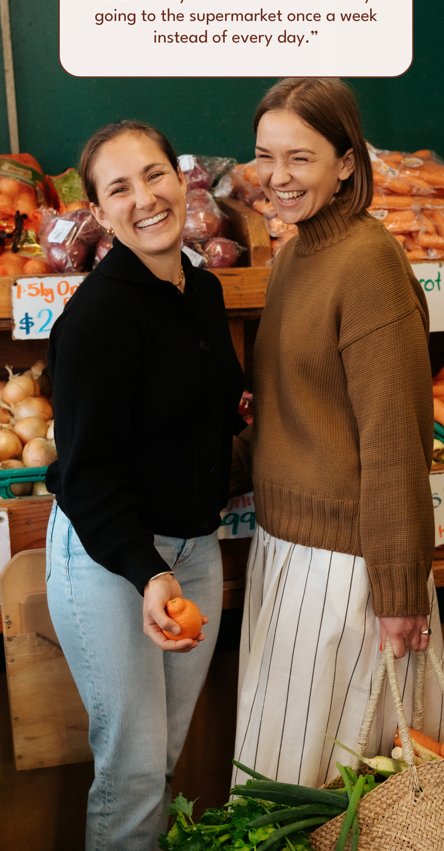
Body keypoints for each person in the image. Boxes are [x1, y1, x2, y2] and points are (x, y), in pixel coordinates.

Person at [231, 78, 444, 789]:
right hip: (285, 552)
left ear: (347, 163)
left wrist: (397, 593)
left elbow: (394, 444)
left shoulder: (371, 264)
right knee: (293, 782)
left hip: (349, 571)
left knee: (331, 791)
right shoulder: (293, 257)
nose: (277, 177)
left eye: (301, 157)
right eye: (265, 156)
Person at [45, 120, 244, 851]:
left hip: (195, 548)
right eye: (119, 188)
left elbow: (206, 404)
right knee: (130, 773)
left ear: (181, 179)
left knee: (159, 763)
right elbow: (88, 473)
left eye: (154, 175)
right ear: (98, 212)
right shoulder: (98, 318)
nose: (145, 199)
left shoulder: (204, 291)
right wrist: (147, 571)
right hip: (113, 559)